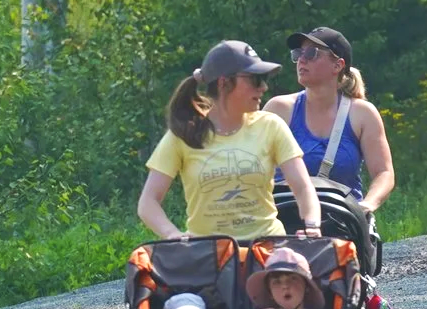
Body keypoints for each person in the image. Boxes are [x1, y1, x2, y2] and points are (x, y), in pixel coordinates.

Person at [138, 41, 324, 243]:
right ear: (223, 83)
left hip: (268, 250)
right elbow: (148, 202)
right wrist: (173, 235)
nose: (264, 87)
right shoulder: (184, 134)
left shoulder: (271, 126)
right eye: (255, 79)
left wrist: (312, 225)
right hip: (208, 254)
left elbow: (303, 188)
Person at [266, 25, 397, 215]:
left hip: (342, 221)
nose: (301, 59)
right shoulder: (278, 109)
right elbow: (254, 169)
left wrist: (367, 206)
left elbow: (384, 172)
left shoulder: (362, 113)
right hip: (286, 221)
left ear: (338, 65)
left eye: (312, 53)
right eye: (298, 53)